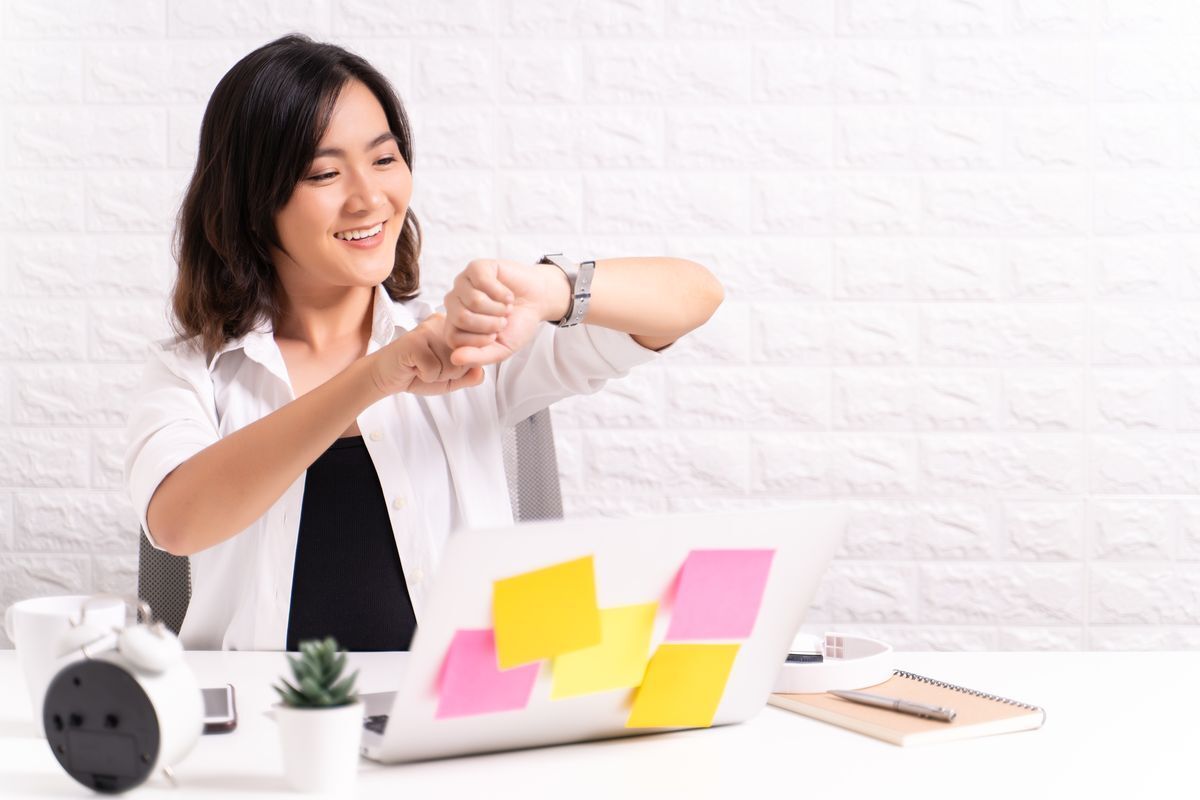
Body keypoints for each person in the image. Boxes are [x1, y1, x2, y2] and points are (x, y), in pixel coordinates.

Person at [123, 34, 724, 652]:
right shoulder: (193, 372)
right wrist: (373, 377)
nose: (370, 198)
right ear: (252, 202)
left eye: (384, 160)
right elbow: (177, 523)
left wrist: (549, 290)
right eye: (325, 173)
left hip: (457, 722)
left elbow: (693, 297)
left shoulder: (464, 339)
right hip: (266, 724)